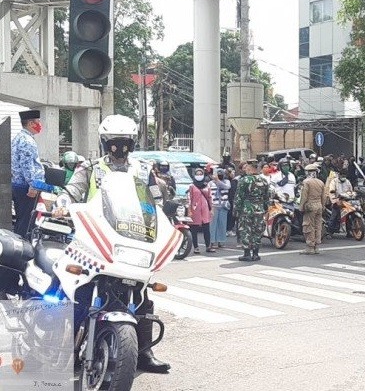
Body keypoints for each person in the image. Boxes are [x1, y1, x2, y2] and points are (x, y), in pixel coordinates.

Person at [57, 114, 170, 372]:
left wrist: (165, 214)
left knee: (142, 294)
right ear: (104, 142)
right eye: (114, 142)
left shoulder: (142, 170)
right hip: (94, 237)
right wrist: (63, 206)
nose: (120, 147)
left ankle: (143, 353)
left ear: (133, 142)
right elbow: (71, 191)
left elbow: (156, 202)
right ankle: (66, 348)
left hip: (132, 238)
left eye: (126, 141)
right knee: (80, 290)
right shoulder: (91, 168)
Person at [11, 109, 45, 238]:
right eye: (38, 122)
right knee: (26, 222)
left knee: (21, 219)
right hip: (27, 187)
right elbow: (27, 166)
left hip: (19, 185)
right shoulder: (27, 141)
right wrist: (33, 185)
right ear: (31, 123)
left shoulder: (19, 137)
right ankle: (21, 251)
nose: (40, 125)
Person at [233, 161, 270, 262]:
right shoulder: (264, 181)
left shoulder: (244, 180)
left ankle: (247, 254)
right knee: (257, 231)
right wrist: (266, 209)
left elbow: (238, 197)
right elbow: (267, 197)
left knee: (246, 230)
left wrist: (236, 211)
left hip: (247, 209)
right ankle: (256, 254)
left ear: (249, 168)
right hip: (259, 209)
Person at [300, 163, 327, 254]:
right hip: (319, 206)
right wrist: (323, 206)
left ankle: (310, 247)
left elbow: (304, 196)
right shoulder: (321, 182)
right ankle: (316, 247)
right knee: (318, 226)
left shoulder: (306, 182)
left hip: (310, 206)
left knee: (308, 226)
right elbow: (324, 197)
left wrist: (301, 207)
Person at [188, 168, 214, 253]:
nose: (199, 176)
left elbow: (210, 197)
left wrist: (211, 209)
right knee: (194, 229)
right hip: (195, 209)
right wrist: (189, 210)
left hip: (205, 209)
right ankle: (196, 247)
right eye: (197, 174)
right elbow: (189, 198)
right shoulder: (192, 186)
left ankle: (208, 246)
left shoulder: (207, 185)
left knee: (206, 228)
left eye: (200, 174)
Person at [208, 168, 231, 248]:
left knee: (222, 223)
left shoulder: (227, 181)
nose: (220, 175)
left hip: (224, 205)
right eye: (218, 173)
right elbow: (208, 193)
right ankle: (212, 241)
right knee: (213, 224)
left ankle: (221, 241)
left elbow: (226, 187)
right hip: (214, 205)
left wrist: (218, 180)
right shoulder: (210, 183)